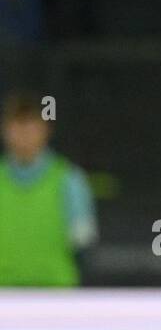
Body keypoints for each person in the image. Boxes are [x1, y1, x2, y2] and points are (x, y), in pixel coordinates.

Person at [0, 90, 97, 286]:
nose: (24, 132)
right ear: (5, 129)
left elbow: (83, 244)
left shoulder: (69, 180)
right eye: (17, 124)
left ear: (45, 129)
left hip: (56, 300)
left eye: (31, 124)